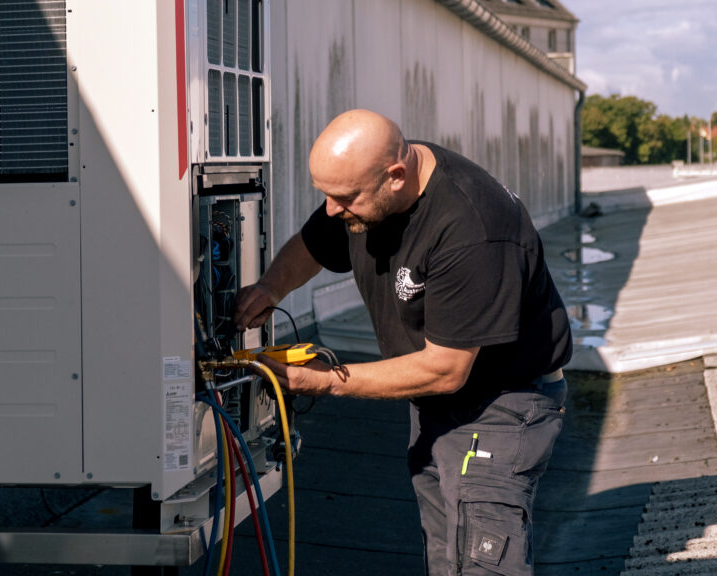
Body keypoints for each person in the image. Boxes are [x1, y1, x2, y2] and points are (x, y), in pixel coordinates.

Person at [234, 109, 572, 576]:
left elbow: (446, 367)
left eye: (343, 198)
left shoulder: (472, 227)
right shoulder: (369, 189)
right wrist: (271, 287)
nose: (332, 209)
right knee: (446, 557)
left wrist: (327, 381)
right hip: (438, 404)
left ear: (395, 176)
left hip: (502, 406)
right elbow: (313, 243)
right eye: (326, 195)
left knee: (482, 561)